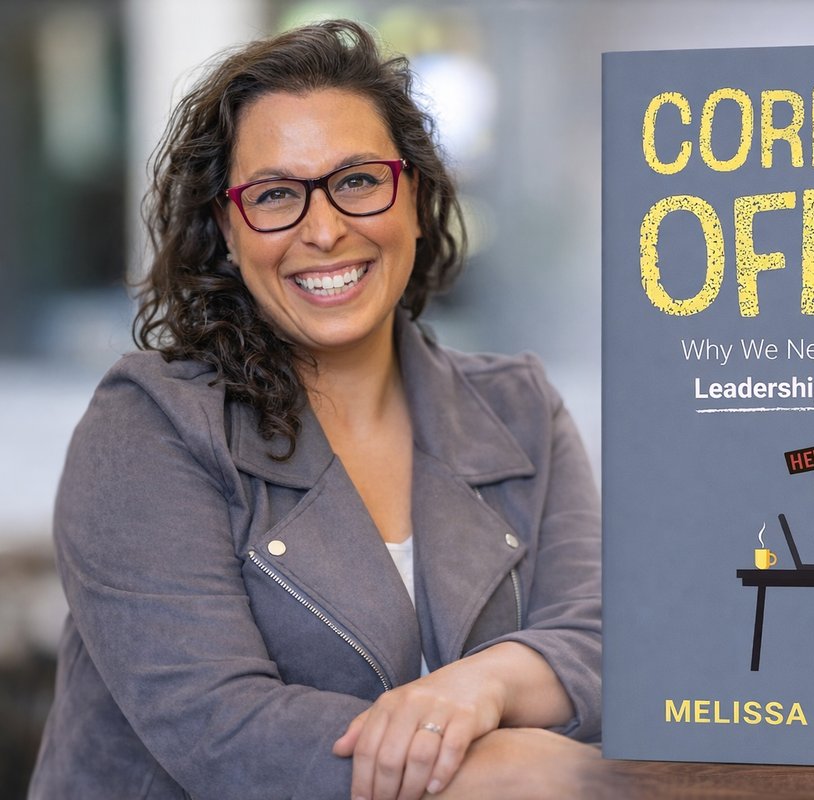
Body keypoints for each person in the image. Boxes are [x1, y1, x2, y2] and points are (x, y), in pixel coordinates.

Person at [29, 19, 600, 800]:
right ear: (228, 230)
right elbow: (221, 730)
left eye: (358, 181)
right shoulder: (149, 425)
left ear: (415, 195)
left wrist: (483, 685)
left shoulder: (521, 407)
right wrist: (502, 770)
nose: (325, 230)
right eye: (274, 196)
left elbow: (601, 639)